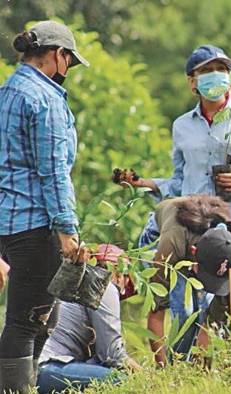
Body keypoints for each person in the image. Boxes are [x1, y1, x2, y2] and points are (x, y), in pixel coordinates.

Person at [116, 45, 231, 326]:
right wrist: (143, 183)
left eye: (221, 69)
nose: (215, 76)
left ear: (230, 77)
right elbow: (181, 183)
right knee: (187, 308)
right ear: (192, 81)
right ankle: (191, 366)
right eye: (206, 71)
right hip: (193, 230)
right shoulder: (182, 126)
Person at [0, 21, 89, 392]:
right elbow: (53, 171)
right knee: (28, 320)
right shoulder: (45, 98)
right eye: (69, 60)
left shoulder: (6, 91)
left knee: (37, 319)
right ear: (58, 55)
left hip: (7, 223)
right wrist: (67, 231)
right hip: (36, 226)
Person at [134, 195, 231, 365]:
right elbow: (156, 313)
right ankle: (176, 365)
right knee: (184, 313)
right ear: (193, 253)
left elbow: (214, 318)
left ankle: (195, 365)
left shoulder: (229, 247)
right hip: (158, 235)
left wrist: (201, 362)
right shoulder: (171, 244)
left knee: (203, 310)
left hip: (199, 245)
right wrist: (163, 368)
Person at [36, 245, 141, 393]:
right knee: (122, 380)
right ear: (118, 274)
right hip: (48, 368)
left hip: (34, 366)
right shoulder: (103, 285)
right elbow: (112, 355)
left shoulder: (75, 281)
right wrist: (147, 377)